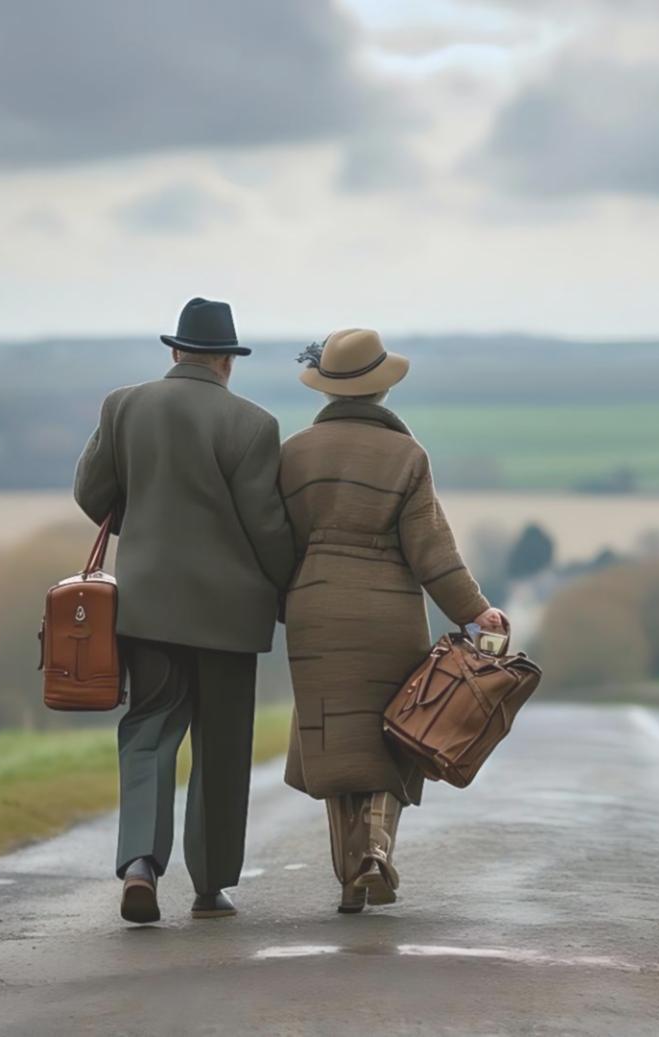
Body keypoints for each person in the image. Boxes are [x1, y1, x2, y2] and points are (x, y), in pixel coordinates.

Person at [74, 297, 294, 924]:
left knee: (148, 732)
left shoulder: (123, 407)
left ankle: (140, 864)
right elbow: (268, 528)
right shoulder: (254, 425)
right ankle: (210, 886)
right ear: (227, 360)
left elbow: (92, 495)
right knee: (222, 751)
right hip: (230, 617)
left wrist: (144, 522)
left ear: (175, 352)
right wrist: (288, 589)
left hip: (146, 609)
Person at [279, 327, 509, 914]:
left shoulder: (293, 454)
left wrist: (283, 601)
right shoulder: (407, 456)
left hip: (316, 612)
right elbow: (432, 551)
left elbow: (274, 544)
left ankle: (348, 877)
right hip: (388, 613)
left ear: (327, 389)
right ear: (382, 391)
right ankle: (376, 850)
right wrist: (475, 611)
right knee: (394, 731)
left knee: (334, 739)